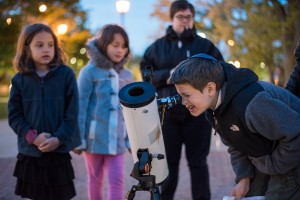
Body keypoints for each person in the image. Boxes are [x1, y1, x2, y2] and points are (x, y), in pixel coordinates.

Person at [169, 53, 300, 200]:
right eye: (181, 96)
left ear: (210, 89)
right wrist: (244, 177)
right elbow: (235, 145)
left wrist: (275, 166)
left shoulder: (252, 104)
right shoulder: (212, 111)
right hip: (269, 158)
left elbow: (296, 133)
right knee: (250, 194)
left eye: (187, 95)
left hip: (291, 159)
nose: (183, 102)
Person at [140, 1, 224, 199]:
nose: (185, 21)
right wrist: (167, 74)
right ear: (171, 19)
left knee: (199, 164)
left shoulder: (205, 46)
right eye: (180, 17)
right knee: (168, 166)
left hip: (198, 116)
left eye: (189, 17)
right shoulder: (156, 47)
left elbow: (219, 70)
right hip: (167, 115)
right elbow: (145, 74)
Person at [8, 23, 80, 200]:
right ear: (27, 48)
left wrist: (58, 138)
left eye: (50, 45)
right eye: (39, 45)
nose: (46, 49)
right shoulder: (19, 80)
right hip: (31, 153)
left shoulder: (66, 75)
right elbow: (14, 116)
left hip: (59, 151)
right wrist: (33, 137)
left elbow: (72, 114)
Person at [74, 24, 133, 200]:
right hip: (93, 140)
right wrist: (79, 139)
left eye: (123, 46)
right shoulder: (89, 72)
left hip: (117, 141)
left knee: (117, 181)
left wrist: (131, 141)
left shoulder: (127, 75)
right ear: (103, 44)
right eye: (115, 45)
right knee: (95, 180)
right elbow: (80, 107)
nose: (120, 50)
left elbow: (131, 111)